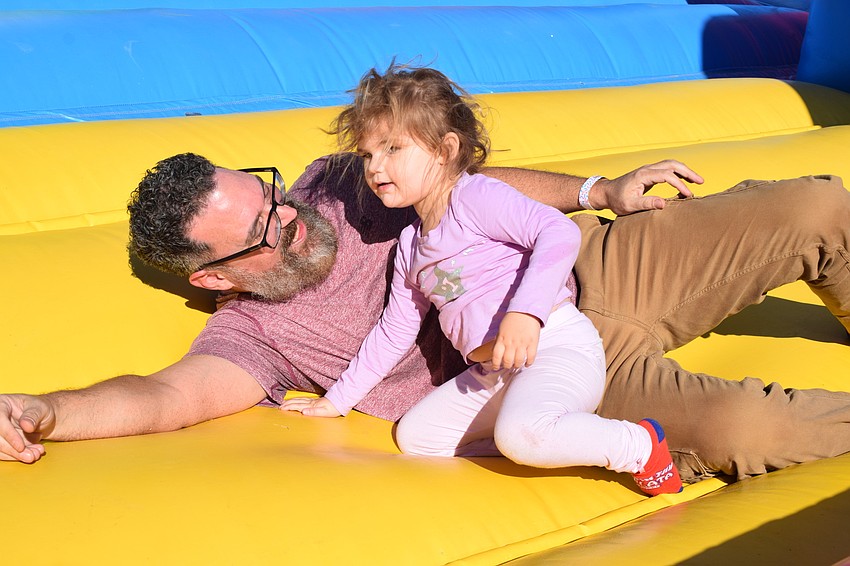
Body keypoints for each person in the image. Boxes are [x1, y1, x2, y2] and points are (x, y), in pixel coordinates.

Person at [1, 113, 849, 486]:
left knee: (820, 208)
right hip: (542, 375)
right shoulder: (255, 338)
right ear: (215, 277)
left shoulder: (335, 183)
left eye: (268, 195)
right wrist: (43, 409)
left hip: (589, 267)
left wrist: (601, 189)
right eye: (263, 231)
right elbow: (162, 398)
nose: (288, 219)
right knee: (754, 432)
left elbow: (465, 183)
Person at [279, 65, 682, 495]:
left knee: (521, 433)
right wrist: (337, 401)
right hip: (494, 371)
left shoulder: (474, 197)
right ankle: (537, 437)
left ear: (444, 150)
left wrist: (526, 314)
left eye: (392, 148)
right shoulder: (412, 245)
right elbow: (394, 331)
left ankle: (637, 444)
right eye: (367, 155)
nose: (375, 167)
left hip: (554, 347)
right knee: (417, 437)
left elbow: (557, 232)